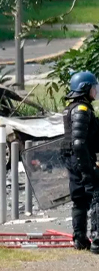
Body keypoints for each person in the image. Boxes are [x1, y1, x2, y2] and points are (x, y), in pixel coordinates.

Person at [61, 70, 99, 252]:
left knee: (79, 200)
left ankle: (80, 239)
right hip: (81, 160)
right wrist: (88, 168)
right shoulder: (81, 109)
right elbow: (78, 142)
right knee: (96, 196)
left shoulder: (72, 107)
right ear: (84, 88)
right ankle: (97, 240)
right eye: (93, 87)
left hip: (72, 160)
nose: (95, 91)